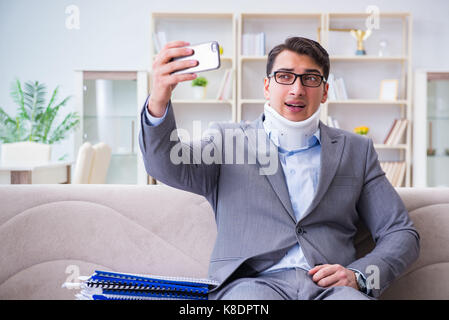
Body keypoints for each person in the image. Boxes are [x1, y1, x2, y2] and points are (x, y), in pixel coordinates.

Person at [139, 37, 420, 300]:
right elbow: (165, 166)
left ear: (324, 92)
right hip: (251, 285)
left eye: (310, 78)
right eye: (285, 76)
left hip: (330, 290)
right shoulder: (226, 141)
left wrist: (360, 276)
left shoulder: (356, 150)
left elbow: (400, 232)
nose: (297, 89)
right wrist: (159, 99)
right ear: (267, 86)